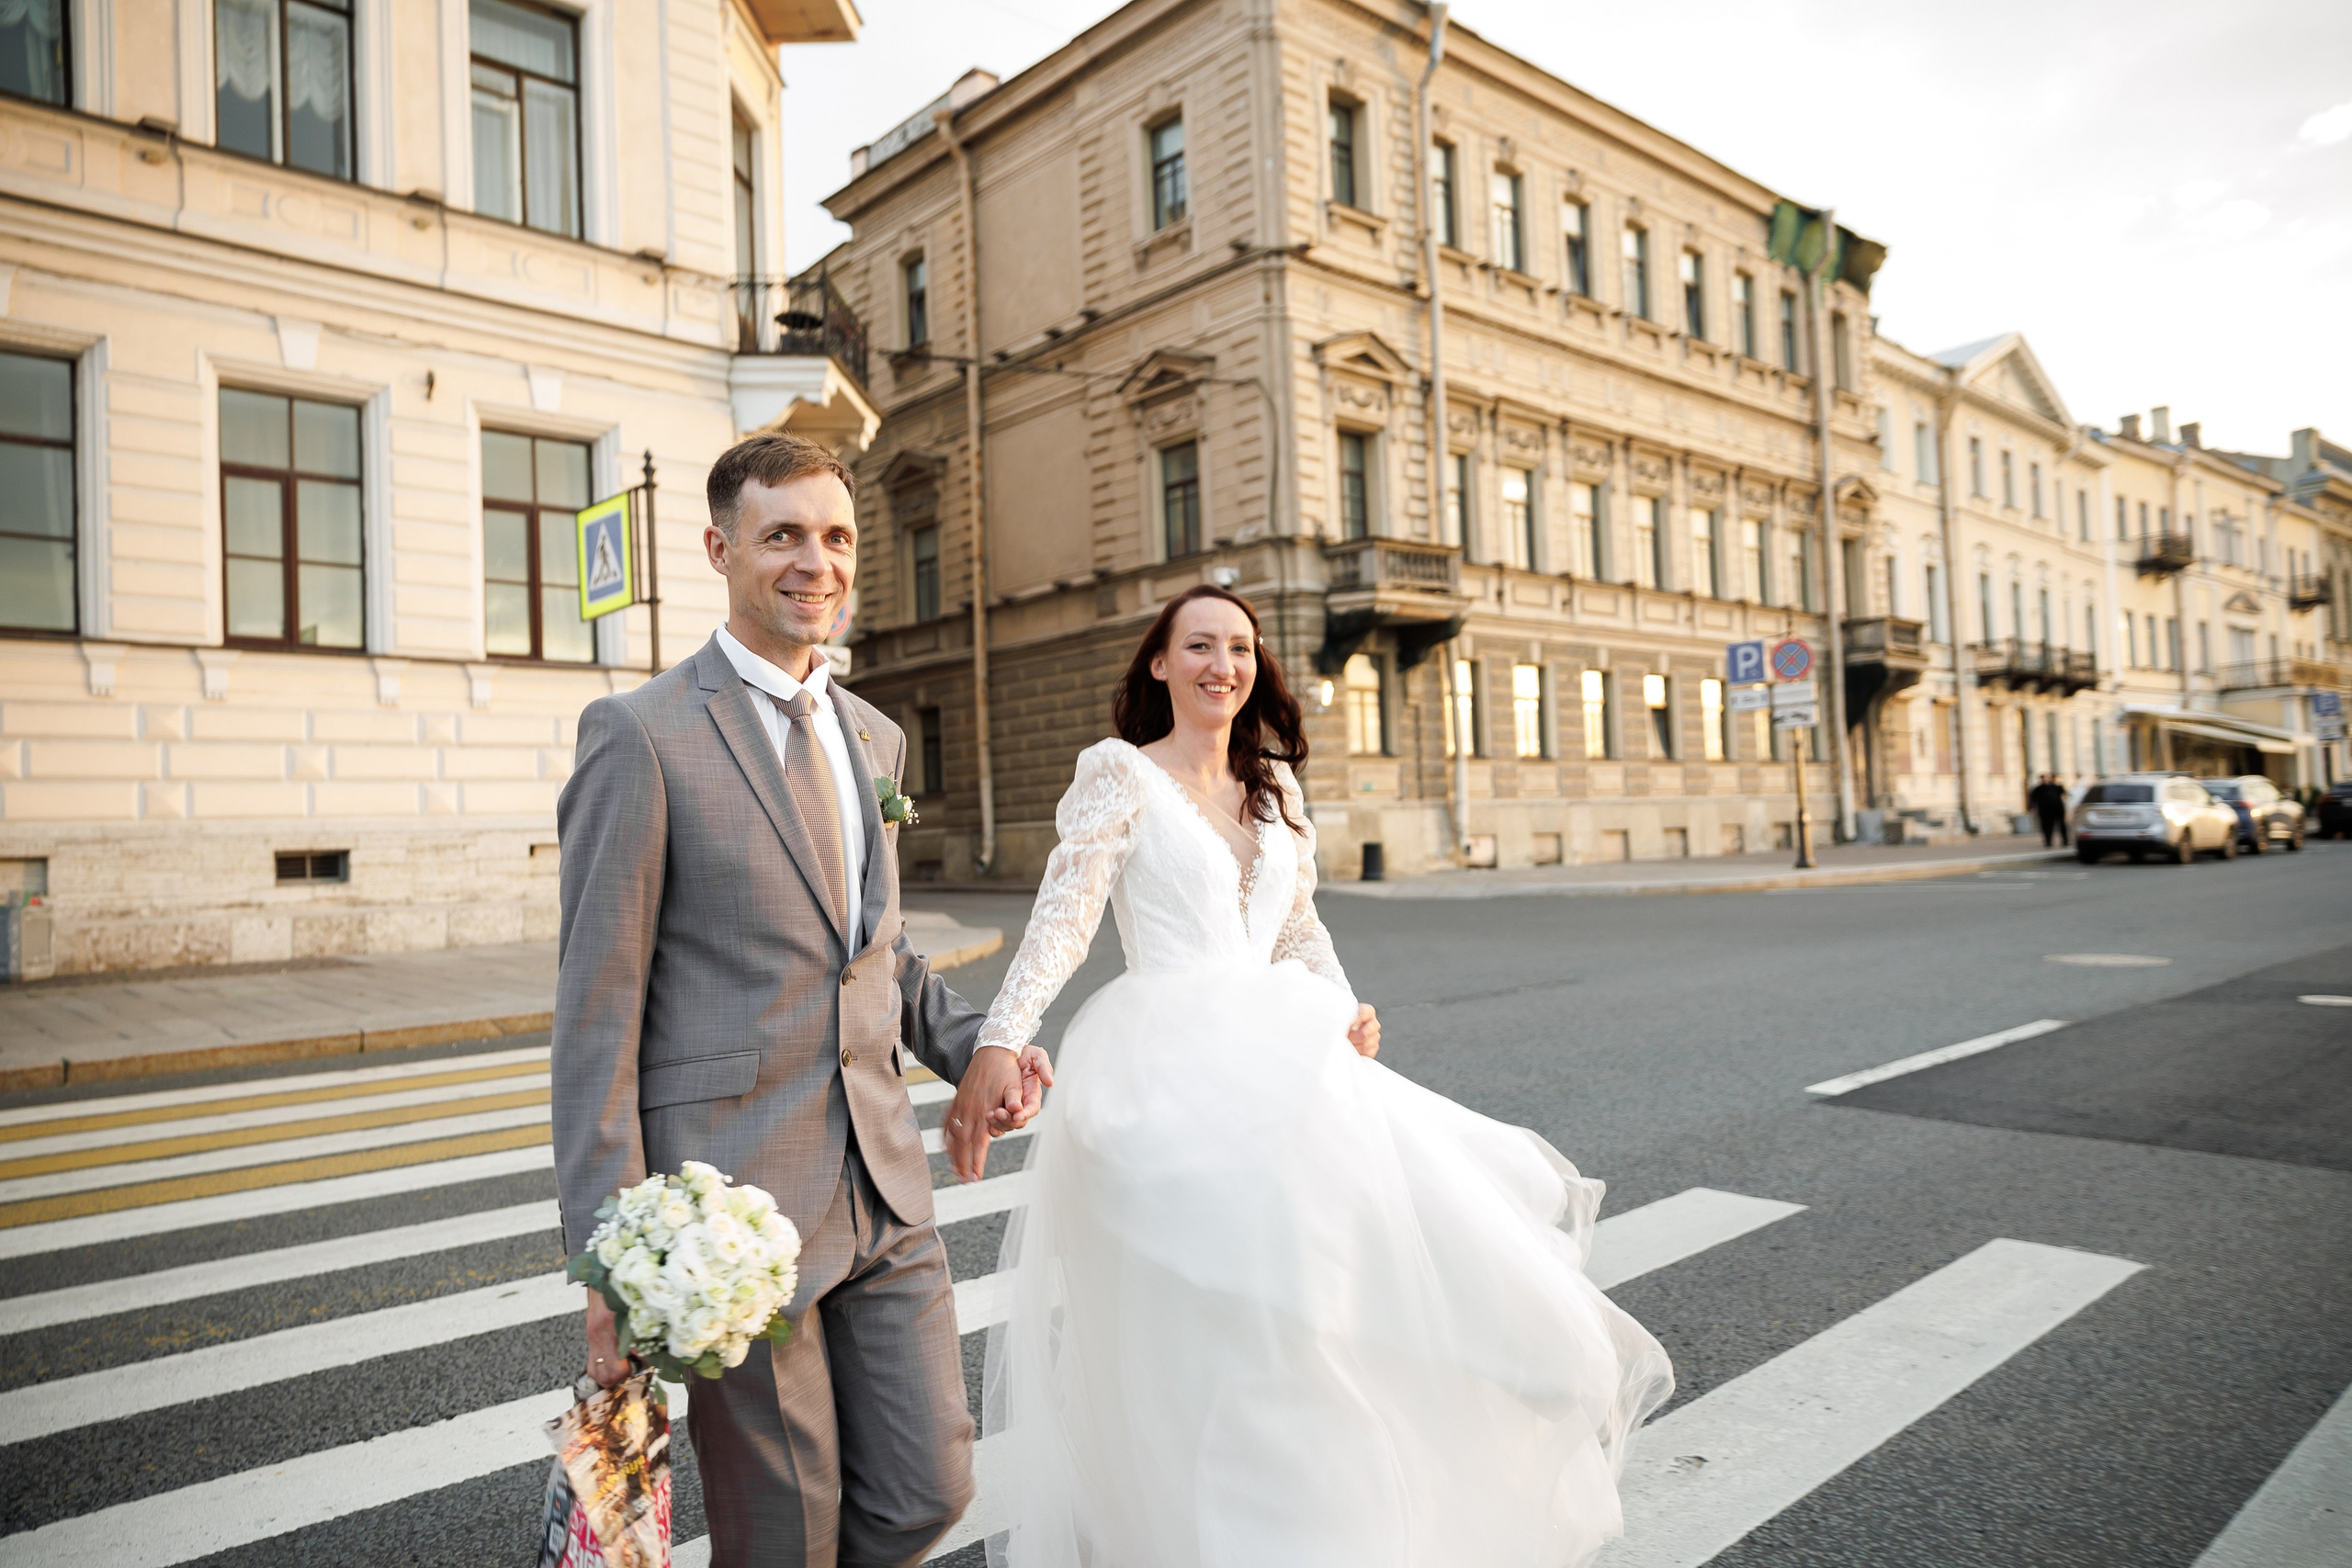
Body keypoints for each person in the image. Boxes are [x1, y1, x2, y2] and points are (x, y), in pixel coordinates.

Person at [960, 585, 1675, 1568]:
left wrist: (1344, 1004)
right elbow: (1063, 919)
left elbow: (1298, 930)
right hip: (1163, 1075)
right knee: (1220, 1319)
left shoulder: (1278, 790)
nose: (1224, 664)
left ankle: (1322, 1529)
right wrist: (1004, 1034)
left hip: (1285, 1055)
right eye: (1199, 645)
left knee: (1330, 1302)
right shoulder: (1118, 775)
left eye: (1241, 648)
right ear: (1159, 665)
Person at [550, 432, 1046, 1568]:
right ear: (721, 550)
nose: (813, 562)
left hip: (884, 1185)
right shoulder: (640, 736)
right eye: (782, 535)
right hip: (732, 1216)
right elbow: (595, 1019)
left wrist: (986, 1043)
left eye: (834, 538)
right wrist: (607, 1263)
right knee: (787, 1530)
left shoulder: (872, 733)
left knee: (930, 1487)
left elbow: (879, 957)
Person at [2029, 773, 2070, 846]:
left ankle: (2065, 840)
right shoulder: (2039, 789)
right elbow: (2033, 799)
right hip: (2045, 810)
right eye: (2044, 778)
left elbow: (2065, 795)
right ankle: (2048, 841)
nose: (2046, 780)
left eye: (2048, 778)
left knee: (2061, 825)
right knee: (2046, 826)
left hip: (2057, 809)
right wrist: (2032, 808)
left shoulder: (2057, 787)